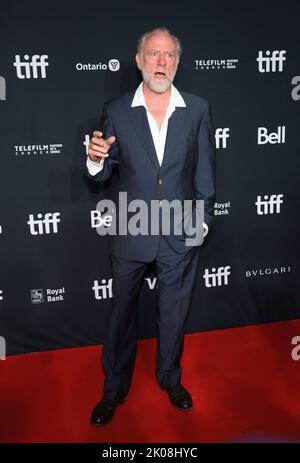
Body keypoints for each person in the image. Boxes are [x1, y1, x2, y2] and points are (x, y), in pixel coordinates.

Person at [86, 27, 216, 426]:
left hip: (180, 231)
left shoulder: (197, 109)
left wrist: (201, 223)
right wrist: (94, 160)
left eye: (169, 56)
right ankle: (113, 390)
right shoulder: (116, 109)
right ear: (139, 60)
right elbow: (101, 172)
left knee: (174, 314)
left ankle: (170, 379)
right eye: (154, 55)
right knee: (121, 314)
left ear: (177, 62)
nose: (161, 63)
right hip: (131, 227)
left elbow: (206, 174)